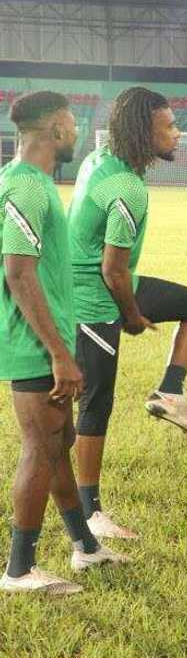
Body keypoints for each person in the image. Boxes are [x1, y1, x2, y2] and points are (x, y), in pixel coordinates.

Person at [68, 87, 187, 541]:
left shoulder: (102, 161)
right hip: (92, 300)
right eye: (168, 126)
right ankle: (90, 512)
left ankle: (169, 392)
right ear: (142, 132)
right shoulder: (126, 187)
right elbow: (112, 269)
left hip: (107, 285)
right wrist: (131, 318)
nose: (178, 132)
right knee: (95, 403)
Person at [1, 91, 129, 595]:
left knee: (61, 443)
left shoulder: (28, 183)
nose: (76, 133)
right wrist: (58, 352)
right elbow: (18, 273)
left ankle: (85, 547)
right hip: (35, 344)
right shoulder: (27, 188)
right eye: (72, 125)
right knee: (40, 447)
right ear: (54, 129)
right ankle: (19, 570)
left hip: (44, 339)